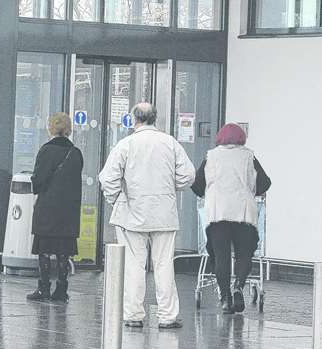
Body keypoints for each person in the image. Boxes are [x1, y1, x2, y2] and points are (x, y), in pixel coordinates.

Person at [98, 102, 194, 329]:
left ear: (134, 120)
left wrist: (117, 199)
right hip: (164, 213)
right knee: (163, 265)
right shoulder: (170, 143)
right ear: (155, 118)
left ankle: (133, 314)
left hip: (131, 214)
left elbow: (107, 178)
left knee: (133, 265)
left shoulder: (126, 145)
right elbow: (188, 175)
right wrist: (172, 187)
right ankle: (168, 316)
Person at [192, 123, 271, 314]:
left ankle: (225, 298)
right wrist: (252, 191)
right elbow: (265, 183)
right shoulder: (249, 156)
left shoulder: (211, 156)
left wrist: (209, 192)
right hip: (243, 213)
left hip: (218, 213)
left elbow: (196, 185)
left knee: (221, 256)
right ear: (241, 139)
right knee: (244, 253)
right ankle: (238, 286)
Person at [27, 113, 83, 303]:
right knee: (63, 251)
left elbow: (38, 180)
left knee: (44, 249)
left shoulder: (46, 151)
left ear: (50, 127)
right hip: (69, 211)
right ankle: (61, 289)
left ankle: (43, 287)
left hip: (47, 208)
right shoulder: (75, 152)